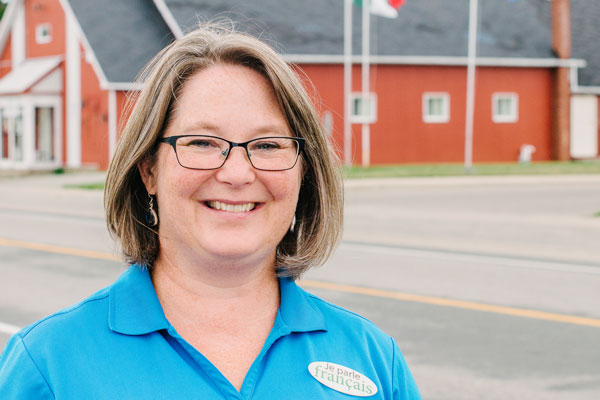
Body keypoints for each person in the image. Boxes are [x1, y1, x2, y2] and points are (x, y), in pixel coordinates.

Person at [0, 24, 420, 399]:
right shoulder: (49, 364)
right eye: (202, 142)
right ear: (149, 170)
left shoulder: (372, 358)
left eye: (268, 145)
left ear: (303, 174)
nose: (237, 173)